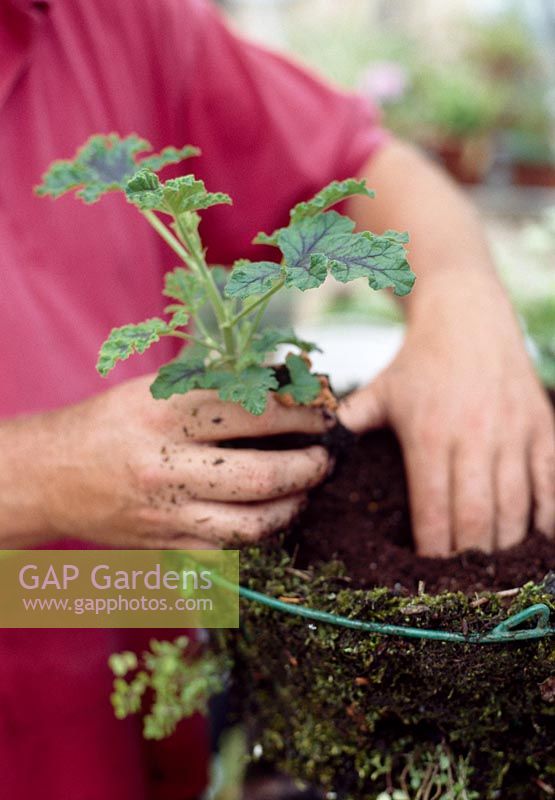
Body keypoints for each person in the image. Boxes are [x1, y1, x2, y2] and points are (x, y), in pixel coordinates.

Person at [0, 0, 553, 797]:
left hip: (139, 692)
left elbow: (367, 162)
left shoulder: (108, 20)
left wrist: (462, 307)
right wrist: (43, 476)